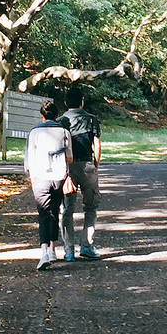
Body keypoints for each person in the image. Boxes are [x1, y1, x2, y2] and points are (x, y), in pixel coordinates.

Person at [24, 98, 74, 270]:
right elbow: (70, 158)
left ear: (41, 115)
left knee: (44, 214)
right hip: (59, 176)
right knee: (55, 210)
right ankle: (53, 248)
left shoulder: (34, 132)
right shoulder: (64, 132)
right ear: (57, 115)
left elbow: (29, 158)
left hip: (41, 176)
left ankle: (44, 252)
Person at [58, 86, 102, 260]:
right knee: (91, 207)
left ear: (65, 102)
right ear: (82, 101)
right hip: (87, 165)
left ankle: (68, 250)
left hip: (67, 168)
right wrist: (96, 166)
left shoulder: (61, 121)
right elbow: (96, 145)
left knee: (67, 209)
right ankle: (86, 245)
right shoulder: (92, 120)